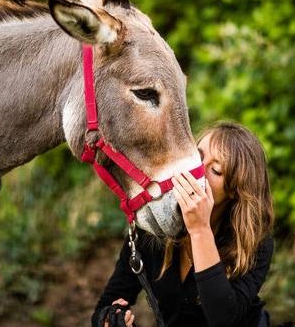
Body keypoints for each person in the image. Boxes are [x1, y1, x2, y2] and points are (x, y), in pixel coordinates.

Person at [92, 121, 275, 327]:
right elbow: (107, 303)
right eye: (198, 156)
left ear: (234, 190)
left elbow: (224, 319)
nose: (197, 170)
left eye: (215, 170)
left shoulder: (255, 243)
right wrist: (112, 319)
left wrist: (199, 230)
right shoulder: (153, 226)